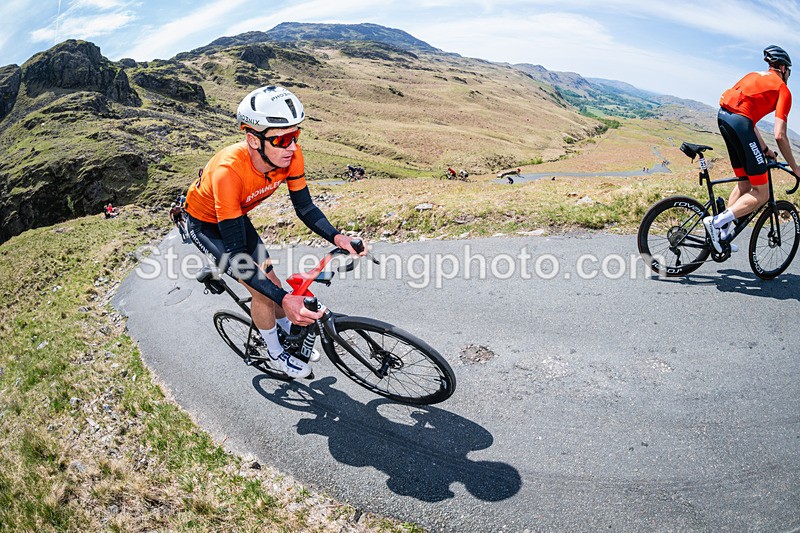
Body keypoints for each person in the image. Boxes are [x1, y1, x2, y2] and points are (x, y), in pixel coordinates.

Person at [184, 85, 365, 378]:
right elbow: (240, 260)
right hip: (206, 225)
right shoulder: (228, 172)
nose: (292, 146)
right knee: (262, 291)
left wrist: (337, 236)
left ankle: (285, 334)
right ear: (253, 140)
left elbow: (305, 208)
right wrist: (283, 299)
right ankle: (275, 351)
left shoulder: (290, 155)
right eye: (281, 139)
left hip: (235, 215)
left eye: (295, 136)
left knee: (273, 279)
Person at [704, 45, 800, 253]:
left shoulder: (754, 76)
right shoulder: (783, 89)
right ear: (783, 69)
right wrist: (795, 168)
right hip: (740, 123)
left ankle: (722, 235)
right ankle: (717, 222)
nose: (789, 75)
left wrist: (764, 150)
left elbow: (749, 120)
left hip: (724, 118)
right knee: (762, 193)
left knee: (745, 183)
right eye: (789, 71)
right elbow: (780, 135)